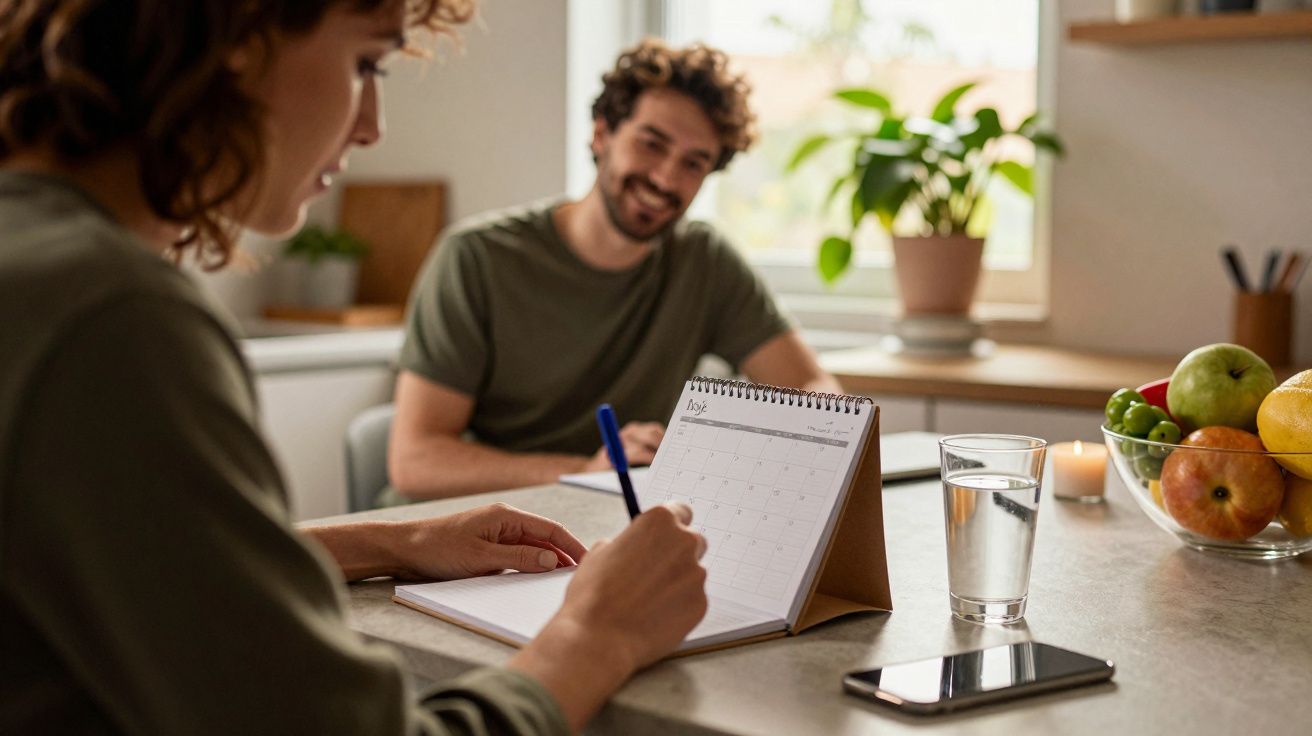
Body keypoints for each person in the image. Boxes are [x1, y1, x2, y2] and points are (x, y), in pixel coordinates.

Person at [0, 2, 708, 734]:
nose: (372, 126)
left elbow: (147, 568)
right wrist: (597, 632)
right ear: (237, 35)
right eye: (366, 63)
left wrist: (389, 542)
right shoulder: (115, 320)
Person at [390, 39, 843, 500]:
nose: (666, 179)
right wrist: (586, 470)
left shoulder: (704, 260)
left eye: (693, 163)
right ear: (601, 134)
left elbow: (813, 388)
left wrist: (761, 445)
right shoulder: (476, 257)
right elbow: (416, 461)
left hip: (613, 521)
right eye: (652, 144)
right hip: (477, 535)